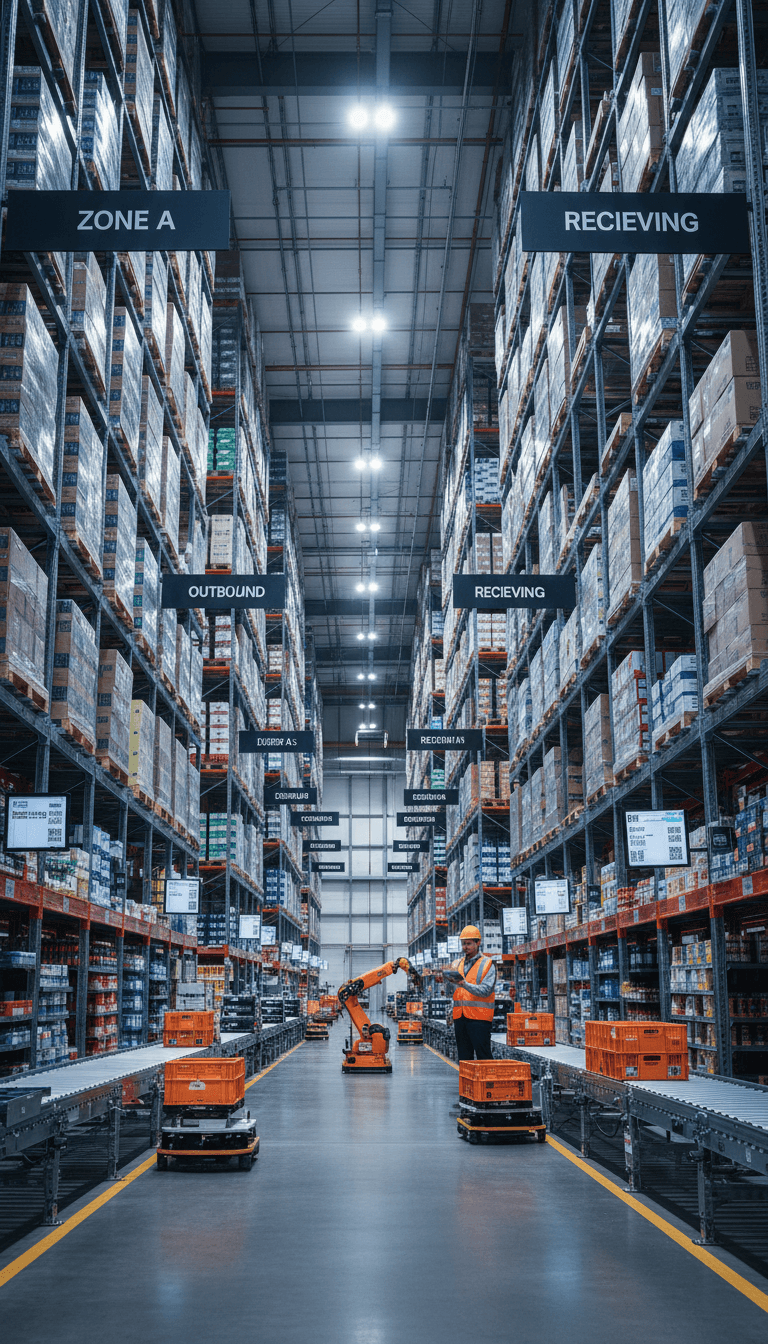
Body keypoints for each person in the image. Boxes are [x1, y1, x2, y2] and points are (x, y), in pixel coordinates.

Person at [443, 925, 496, 1061]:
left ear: (478, 943)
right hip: (460, 1018)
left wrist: (464, 984)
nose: (465, 947)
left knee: (483, 1056)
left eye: (468, 944)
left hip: (479, 1019)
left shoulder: (487, 964)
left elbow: (485, 991)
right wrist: (447, 982)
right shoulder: (457, 964)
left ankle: (485, 1083)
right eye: (463, 944)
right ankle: (467, 1083)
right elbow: (450, 993)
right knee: (464, 1057)